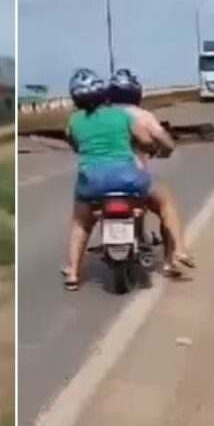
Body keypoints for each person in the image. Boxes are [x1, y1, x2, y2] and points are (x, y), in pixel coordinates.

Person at [61, 68, 159, 290]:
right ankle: (138, 222)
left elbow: (74, 145)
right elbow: (144, 140)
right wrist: (151, 148)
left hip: (93, 184)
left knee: (80, 223)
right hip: (128, 180)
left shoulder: (74, 121)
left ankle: (74, 273)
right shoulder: (121, 116)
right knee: (144, 196)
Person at [107, 68, 196, 278]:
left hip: (102, 181)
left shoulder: (101, 116)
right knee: (166, 206)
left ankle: (73, 266)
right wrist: (162, 150)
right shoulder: (142, 116)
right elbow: (166, 143)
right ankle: (172, 258)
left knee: (82, 218)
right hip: (134, 179)